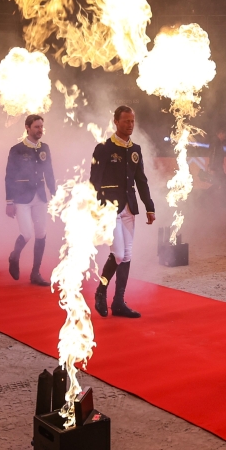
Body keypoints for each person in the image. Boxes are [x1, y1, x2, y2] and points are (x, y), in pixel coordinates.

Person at [89, 104, 155, 319]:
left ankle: (118, 302)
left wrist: (149, 207)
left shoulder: (135, 149)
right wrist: (95, 207)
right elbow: (94, 181)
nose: (130, 125)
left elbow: (141, 180)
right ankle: (101, 290)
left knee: (126, 256)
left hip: (129, 207)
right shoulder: (103, 148)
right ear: (115, 122)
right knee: (117, 254)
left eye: (132, 121)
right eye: (126, 121)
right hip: (108, 208)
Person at [4, 113, 56, 286]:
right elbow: (9, 176)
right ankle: (14, 255)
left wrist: (54, 194)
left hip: (40, 196)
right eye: (36, 127)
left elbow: (49, 172)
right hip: (21, 197)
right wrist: (9, 202)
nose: (40, 130)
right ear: (27, 127)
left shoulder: (45, 148)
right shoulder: (16, 149)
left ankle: (35, 273)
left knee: (41, 233)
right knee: (27, 233)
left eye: (41, 126)